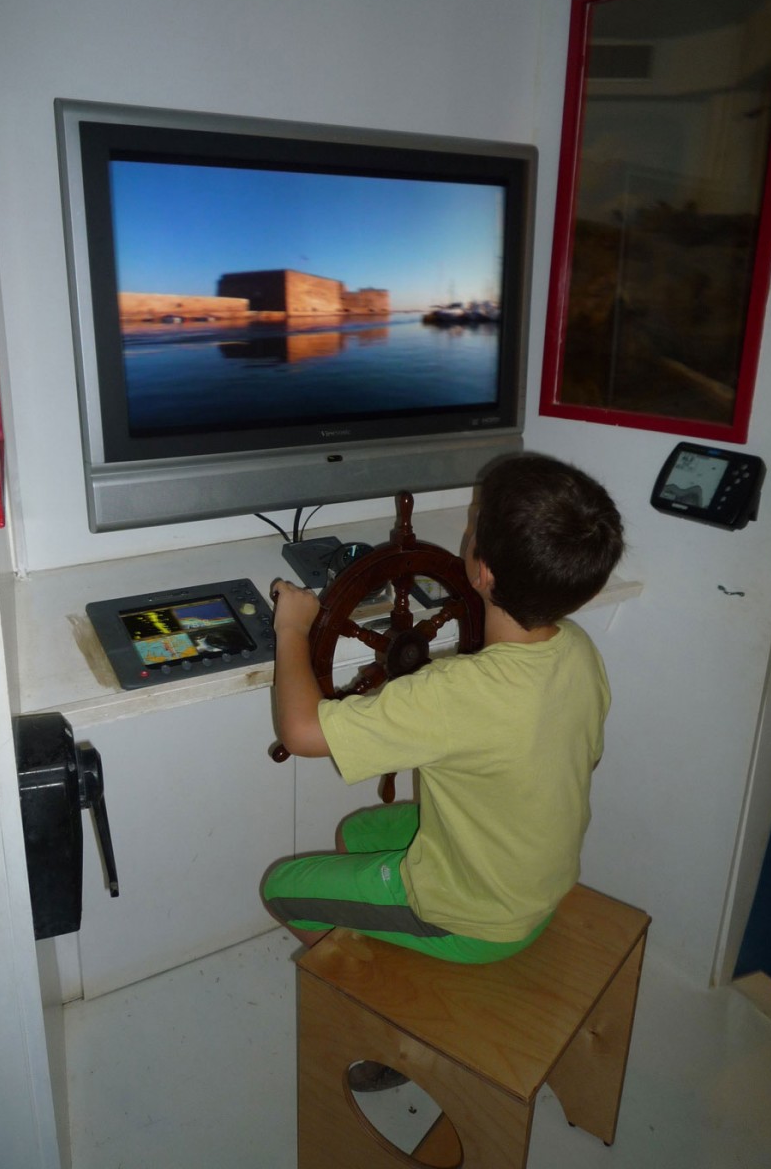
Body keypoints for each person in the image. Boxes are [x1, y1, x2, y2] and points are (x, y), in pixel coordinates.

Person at [262, 452, 624, 1090]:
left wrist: (294, 628)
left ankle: (384, 1020)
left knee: (282, 886)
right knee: (360, 833)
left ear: (479, 570)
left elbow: (300, 731)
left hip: (475, 915)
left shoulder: (459, 691)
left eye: (474, 519)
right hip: (538, 881)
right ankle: (389, 936)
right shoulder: (578, 652)